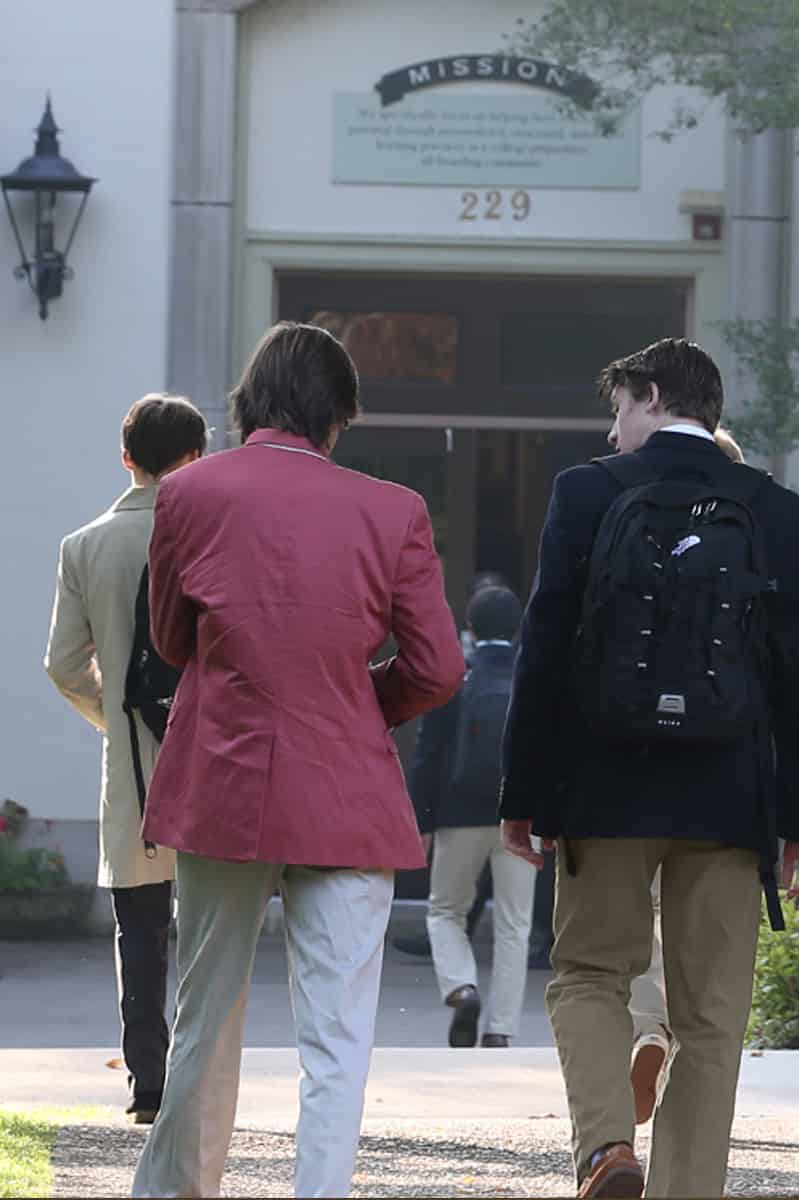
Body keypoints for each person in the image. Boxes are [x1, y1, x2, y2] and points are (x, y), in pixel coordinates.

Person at [130, 322, 464, 1198]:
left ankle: (174, 1192)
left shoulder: (189, 494)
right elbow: (438, 668)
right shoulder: (393, 509)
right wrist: (360, 706)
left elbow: (171, 640)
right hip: (346, 792)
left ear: (247, 404)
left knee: (203, 1018)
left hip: (223, 783)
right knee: (339, 1037)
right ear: (337, 417)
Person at [501, 338, 799, 1199]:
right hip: (730, 799)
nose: (614, 434)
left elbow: (544, 648)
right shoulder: (775, 508)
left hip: (603, 788)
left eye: (618, 411)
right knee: (712, 1020)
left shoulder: (585, 493)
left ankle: (607, 1148)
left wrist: (524, 794)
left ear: (650, 397)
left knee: (588, 975)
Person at [45, 393, 208, 1124]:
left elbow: (63, 664)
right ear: (197, 456)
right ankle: (204, 1073)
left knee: (139, 930)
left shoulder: (85, 545)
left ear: (127, 458)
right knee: (212, 924)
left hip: (133, 770)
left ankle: (149, 1082)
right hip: (213, 757)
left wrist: (114, 719)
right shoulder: (211, 533)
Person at [628, 422, 746, 1127]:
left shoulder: (635, 541)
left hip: (637, 766)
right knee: (705, 943)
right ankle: (680, 1048)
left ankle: (647, 1033)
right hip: (723, 776)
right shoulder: (749, 550)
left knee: (640, 918)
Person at [412, 584, 534, 1047]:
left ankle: (462, 988)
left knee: (445, 910)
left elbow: (427, 753)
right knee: (514, 923)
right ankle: (501, 1031)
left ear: (469, 627)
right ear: (518, 628)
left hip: (458, 812)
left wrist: (422, 819)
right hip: (521, 816)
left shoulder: (455, 677)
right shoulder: (531, 675)